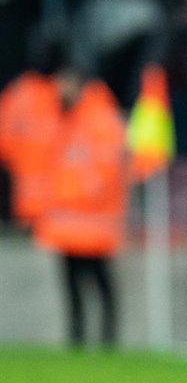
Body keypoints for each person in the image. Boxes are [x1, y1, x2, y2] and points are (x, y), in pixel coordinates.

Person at [33, 66, 128, 345]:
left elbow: (106, 169)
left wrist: (76, 194)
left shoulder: (101, 119)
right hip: (67, 222)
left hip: (93, 220)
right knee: (71, 282)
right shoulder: (61, 118)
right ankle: (77, 336)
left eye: (65, 84)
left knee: (100, 279)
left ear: (80, 85)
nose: (60, 90)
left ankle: (108, 337)